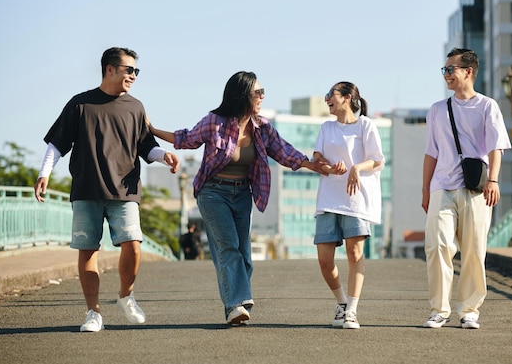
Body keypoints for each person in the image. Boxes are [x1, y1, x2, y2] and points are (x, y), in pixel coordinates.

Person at [147, 71, 326, 326]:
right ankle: (236, 303)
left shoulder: (262, 128)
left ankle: (236, 305)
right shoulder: (215, 122)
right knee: (228, 246)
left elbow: (285, 152)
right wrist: (153, 130)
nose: (262, 97)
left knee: (243, 254)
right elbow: (185, 139)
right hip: (213, 192)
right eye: (258, 93)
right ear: (243, 95)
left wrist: (313, 165)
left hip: (242, 193)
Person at [33, 47, 180, 333]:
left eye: (136, 71)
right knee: (87, 251)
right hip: (87, 189)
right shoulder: (80, 104)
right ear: (109, 69)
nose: (134, 76)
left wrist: (165, 156)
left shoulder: (136, 107)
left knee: (133, 245)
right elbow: (57, 143)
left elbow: (146, 147)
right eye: (129, 70)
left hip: (124, 191)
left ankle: (126, 296)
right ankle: (93, 312)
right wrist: (44, 173)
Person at [421, 48, 511, 329]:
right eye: (444, 70)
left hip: (476, 188)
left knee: (474, 249)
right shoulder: (437, 110)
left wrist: (494, 180)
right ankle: (439, 309)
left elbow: (496, 147)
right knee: (437, 245)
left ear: (468, 71)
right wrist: (425, 190)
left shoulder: (487, 106)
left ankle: (469, 309)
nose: (446, 74)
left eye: (451, 69)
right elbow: (431, 153)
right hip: (442, 187)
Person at [312, 81, 385, 330]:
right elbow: (317, 159)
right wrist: (329, 168)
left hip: (356, 199)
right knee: (324, 260)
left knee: (355, 254)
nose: (326, 100)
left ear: (346, 97)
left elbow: (377, 160)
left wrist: (356, 167)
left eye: (330, 95)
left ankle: (352, 311)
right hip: (329, 199)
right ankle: (342, 302)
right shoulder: (326, 128)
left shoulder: (366, 125)